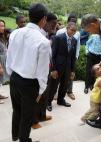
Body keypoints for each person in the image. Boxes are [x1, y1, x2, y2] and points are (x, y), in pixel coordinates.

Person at [6, 3, 50, 142]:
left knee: (17, 110)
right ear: (43, 19)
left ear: (29, 16)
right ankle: (23, 140)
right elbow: (43, 71)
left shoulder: (15, 33)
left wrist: (11, 73)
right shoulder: (43, 41)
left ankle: (15, 136)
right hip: (29, 84)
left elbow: (9, 57)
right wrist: (41, 90)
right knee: (27, 115)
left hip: (14, 78)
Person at [32, 12, 57, 129]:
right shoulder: (38, 36)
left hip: (46, 71)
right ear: (45, 21)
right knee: (37, 97)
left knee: (44, 96)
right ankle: (33, 120)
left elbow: (48, 56)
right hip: (37, 74)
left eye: (56, 24)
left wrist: (51, 69)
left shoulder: (47, 35)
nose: (55, 26)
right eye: (53, 23)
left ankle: (42, 116)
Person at [46, 22, 77, 111]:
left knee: (64, 85)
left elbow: (73, 57)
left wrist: (72, 70)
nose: (73, 32)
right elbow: (52, 55)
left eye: (75, 31)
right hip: (57, 67)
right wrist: (53, 69)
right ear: (67, 28)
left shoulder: (74, 40)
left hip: (67, 67)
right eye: (72, 30)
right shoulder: (58, 38)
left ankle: (60, 100)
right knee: (53, 86)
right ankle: (48, 102)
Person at [56, 13, 80, 100]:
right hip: (60, 61)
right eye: (72, 21)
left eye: (75, 22)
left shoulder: (77, 33)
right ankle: (55, 93)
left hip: (70, 59)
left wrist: (76, 57)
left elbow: (77, 46)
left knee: (69, 78)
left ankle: (69, 92)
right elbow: (55, 50)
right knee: (57, 79)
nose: (73, 23)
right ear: (68, 23)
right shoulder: (60, 32)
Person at [0, 19, 9, 103]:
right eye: (0, 26)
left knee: (0, 79)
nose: (2, 27)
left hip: (3, 59)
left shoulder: (3, 36)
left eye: (3, 25)